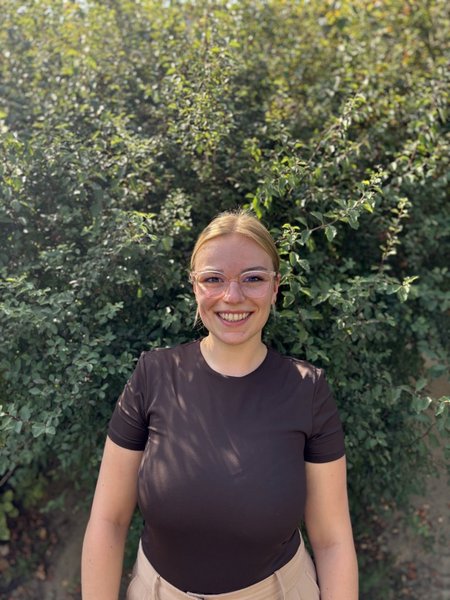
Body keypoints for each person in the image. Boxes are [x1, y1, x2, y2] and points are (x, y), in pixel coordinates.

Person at [81, 209, 358, 600]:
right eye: (213, 279)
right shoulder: (153, 375)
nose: (232, 296)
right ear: (195, 287)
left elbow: (332, 541)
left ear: (275, 287)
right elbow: (108, 520)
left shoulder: (307, 390)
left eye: (253, 278)